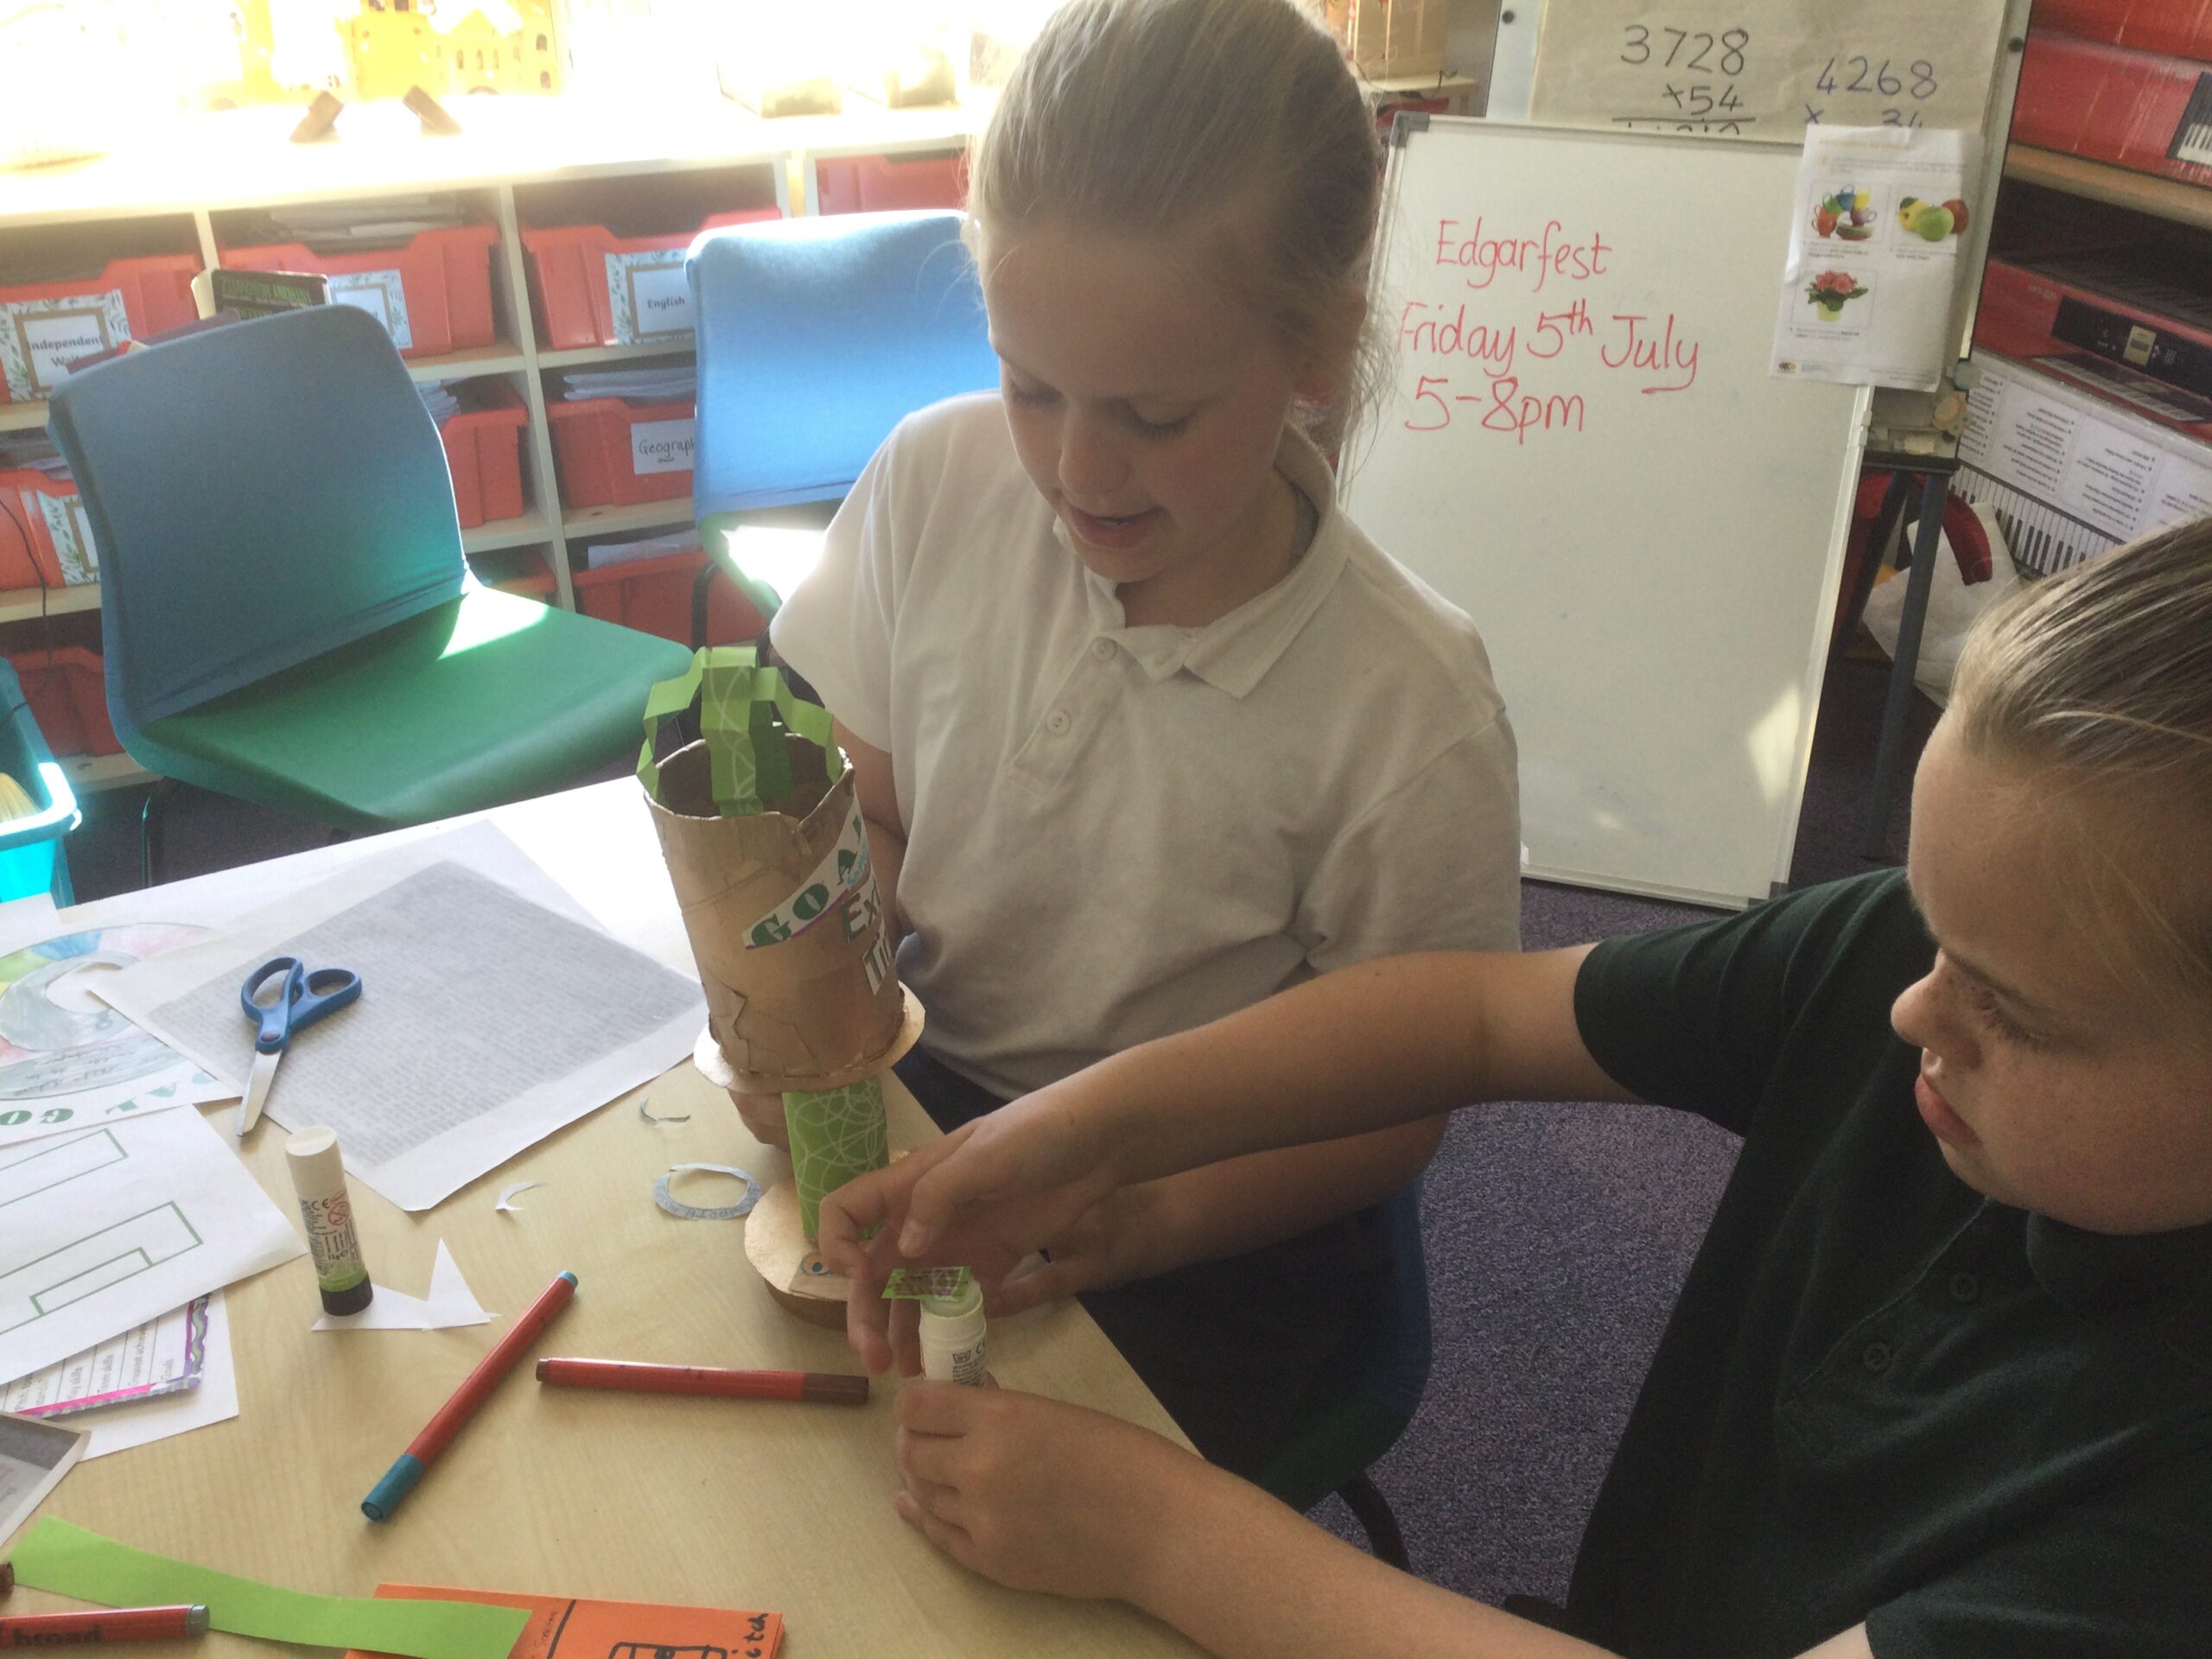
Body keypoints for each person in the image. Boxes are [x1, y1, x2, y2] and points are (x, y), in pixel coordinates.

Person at [820, 518, 2212, 1659]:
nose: (1916, 1006)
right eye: (1931, 925)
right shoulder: (1896, 972)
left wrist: (1162, 1533)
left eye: (2014, 1012)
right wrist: (1088, 1130)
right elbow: (1479, 1015)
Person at [751, 0, 1522, 1489]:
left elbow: (1398, 1100)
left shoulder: (1411, 707)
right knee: (773, 1449)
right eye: (1031, 388)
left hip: (1204, 1202)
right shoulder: (936, 479)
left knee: (999, 1536)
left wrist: (1143, 1213)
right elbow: (875, 817)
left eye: (1157, 415)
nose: (1079, 471)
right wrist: (818, 1011)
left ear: (1317, 348)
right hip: (940, 1095)